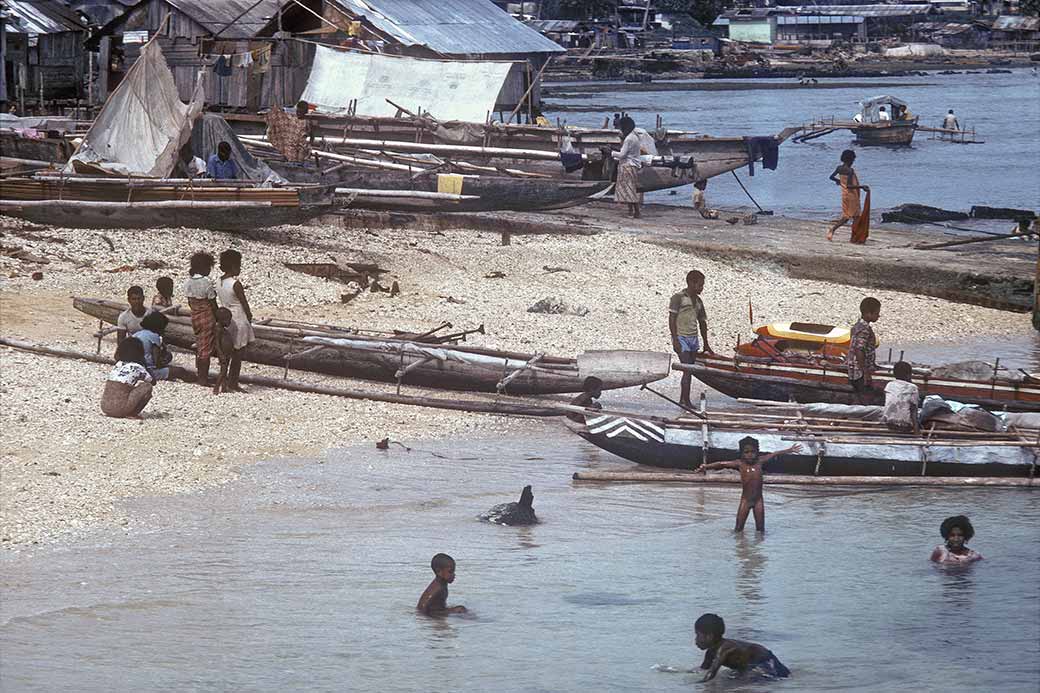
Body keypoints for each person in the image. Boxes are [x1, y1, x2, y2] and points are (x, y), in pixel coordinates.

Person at [693, 436, 801, 532]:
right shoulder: (740, 464)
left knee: (760, 530)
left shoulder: (760, 461)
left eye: (752, 452)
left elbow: (774, 454)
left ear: (757, 452)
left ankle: (757, 551)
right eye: (746, 452)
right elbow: (721, 463)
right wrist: (706, 466)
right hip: (745, 501)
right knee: (738, 530)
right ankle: (740, 550)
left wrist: (790, 450)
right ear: (742, 453)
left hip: (759, 501)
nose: (750, 455)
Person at [694, 613, 791, 681]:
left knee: (750, 683)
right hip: (753, 665)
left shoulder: (723, 648)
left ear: (709, 636)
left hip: (765, 661)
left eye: (698, 635)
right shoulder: (710, 653)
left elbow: (711, 674)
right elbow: (703, 670)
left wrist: (694, 686)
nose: (695, 640)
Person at [669, 270, 713, 408]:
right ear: (691, 283)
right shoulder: (678, 298)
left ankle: (684, 400)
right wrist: (675, 340)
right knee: (687, 369)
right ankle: (685, 401)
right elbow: (672, 319)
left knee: (689, 370)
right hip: (682, 338)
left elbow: (703, 323)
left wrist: (706, 344)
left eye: (702, 285)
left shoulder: (699, 301)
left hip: (693, 339)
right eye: (700, 285)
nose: (701, 288)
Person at [217, 249, 255, 392]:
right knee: (238, 354)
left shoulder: (219, 281)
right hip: (239, 318)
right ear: (233, 266)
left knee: (227, 352)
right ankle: (233, 382)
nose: (239, 268)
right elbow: (244, 303)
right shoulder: (235, 284)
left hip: (226, 318)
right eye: (238, 265)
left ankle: (224, 381)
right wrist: (249, 317)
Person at [184, 251, 219, 386]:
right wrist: (217, 318)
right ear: (203, 267)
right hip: (207, 317)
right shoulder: (206, 282)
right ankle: (203, 379)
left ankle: (200, 375)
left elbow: (190, 302)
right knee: (206, 349)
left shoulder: (188, 282)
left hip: (195, 316)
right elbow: (213, 303)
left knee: (200, 346)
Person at [100, 338, 154, 419]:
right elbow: (152, 381)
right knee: (147, 386)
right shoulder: (137, 367)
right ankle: (132, 413)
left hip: (105, 407)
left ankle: (124, 410)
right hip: (120, 409)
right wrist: (146, 365)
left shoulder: (118, 364)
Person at [826, 149, 869, 241]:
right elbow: (849, 185)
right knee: (856, 216)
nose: (853, 162)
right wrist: (862, 187)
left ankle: (834, 230)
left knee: (847, 216)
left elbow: (831, 177)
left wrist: (839, 181)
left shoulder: (839, 168)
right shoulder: (850, 170)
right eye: (853, 160)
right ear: (850, 160)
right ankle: (854, 236)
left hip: (844, 194)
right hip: (851, 195)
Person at [612, 116, 644, 219]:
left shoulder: (629, 139)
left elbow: (622, 155)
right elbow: (626, 151)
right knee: (629, 189)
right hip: (633, 165)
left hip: (628, 166)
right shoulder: (635, 136)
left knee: (629, 190)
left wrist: (611, 152)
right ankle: (631, 211)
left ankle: (636, 212)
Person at [848, 297, 881, 396]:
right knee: (864, 397)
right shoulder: (864, 329)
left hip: (854, 370)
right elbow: (859, 350)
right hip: (859, 373)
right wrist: (866, 372)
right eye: (876, 313)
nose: (878, 316)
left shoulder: (857, 326)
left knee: (859, 397)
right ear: (868, 313)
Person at [134, 312, 178, 382]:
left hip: (133, 368)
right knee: (180, 371)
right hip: (147, 371)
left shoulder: (137, 334)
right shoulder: (154, 336)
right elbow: (156, 361)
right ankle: (195, 379)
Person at [883, 361, 919, 432]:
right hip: (905, 426)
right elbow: (913, 411)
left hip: (888, 423)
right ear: (909, 375)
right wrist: (917, 431)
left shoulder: (889, 385)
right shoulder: (913, 388)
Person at [211, 308, 239, 395]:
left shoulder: (222, 329)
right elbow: (217, 343)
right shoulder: (218, 329)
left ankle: (224, 387)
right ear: (221, 320)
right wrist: (220, 354)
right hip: (222, 353)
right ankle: (216, 388)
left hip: (227, 352)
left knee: (225, 370)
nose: (230, 322)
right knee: (223, 371)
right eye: (228, 320)